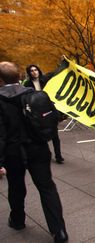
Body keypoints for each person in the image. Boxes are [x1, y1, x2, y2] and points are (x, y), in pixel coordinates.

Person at [0, 61, 68, 243]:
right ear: (19, 77)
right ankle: (59, 231)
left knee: (16, 187)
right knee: (47, 187)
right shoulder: (33, 94)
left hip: (13, 153)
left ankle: (17, 220)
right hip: (37, 148)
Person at [22, 64, 64, 164]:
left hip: (49, 109)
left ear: (38, 70)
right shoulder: (27, 84)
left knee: (55, 134)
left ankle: (58, 156)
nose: (34, 72)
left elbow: (56, 72)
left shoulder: (45, 79)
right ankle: (45, 154)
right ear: (29, 73)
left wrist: (63, 62)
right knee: (41, 133)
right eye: (31, 70)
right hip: (37, 111)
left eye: (35, 70)